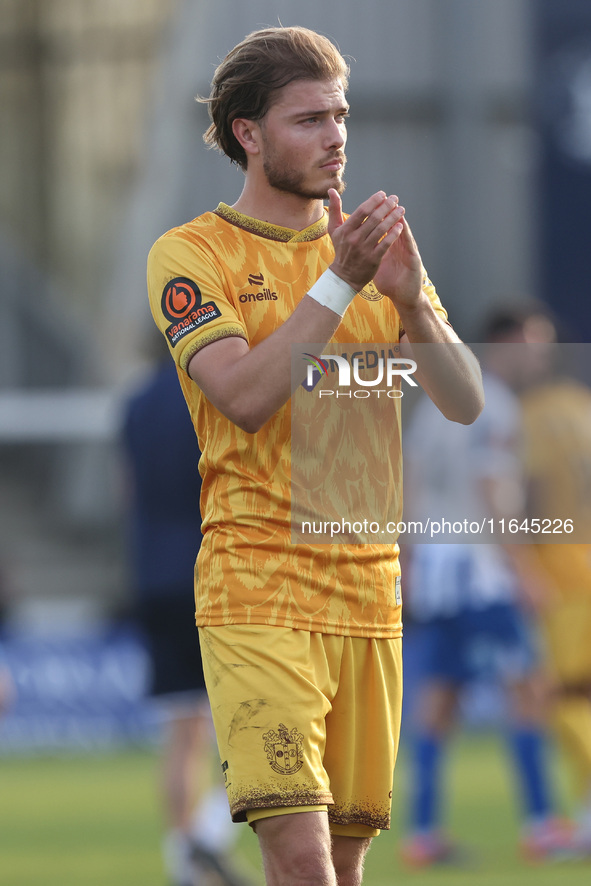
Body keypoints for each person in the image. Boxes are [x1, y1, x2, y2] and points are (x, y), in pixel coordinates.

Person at [146, 26, 483, 886]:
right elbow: (246, 397)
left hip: (367, 591)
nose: (334, 135)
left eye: (340, 115)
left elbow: (463, 399)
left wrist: (413, 303)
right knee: (299, 863)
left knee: (342, 864)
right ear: (247, 133)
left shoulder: (379, 255)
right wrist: (340, 282)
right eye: (307, 119)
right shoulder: (192, 255)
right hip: (256, 584)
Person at [398, 307, 574, 866]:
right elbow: (492, 488)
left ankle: (423, 833)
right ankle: (544, 824)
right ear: (511, 340)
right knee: (526, 689)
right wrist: (524, 571)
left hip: (439, 572)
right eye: (537, 343)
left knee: (440, 700)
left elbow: (410, 484)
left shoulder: (432, 406)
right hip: (480, 575)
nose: (542, 356)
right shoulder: (491, 403)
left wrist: (408, 561)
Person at [122, 351, 253, 886]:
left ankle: (185, 863)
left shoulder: (133, 405)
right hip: (215, 569)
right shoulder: (216, 394)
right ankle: (208, 840)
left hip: (152, 574)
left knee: (183, 732)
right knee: (263, 721)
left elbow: (125, 490)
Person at [518, 319, 591, 854]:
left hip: (559, 574)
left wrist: (519, 565)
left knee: (561, 696)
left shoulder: (530, 419)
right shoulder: (582, 409)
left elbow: (528, 496)